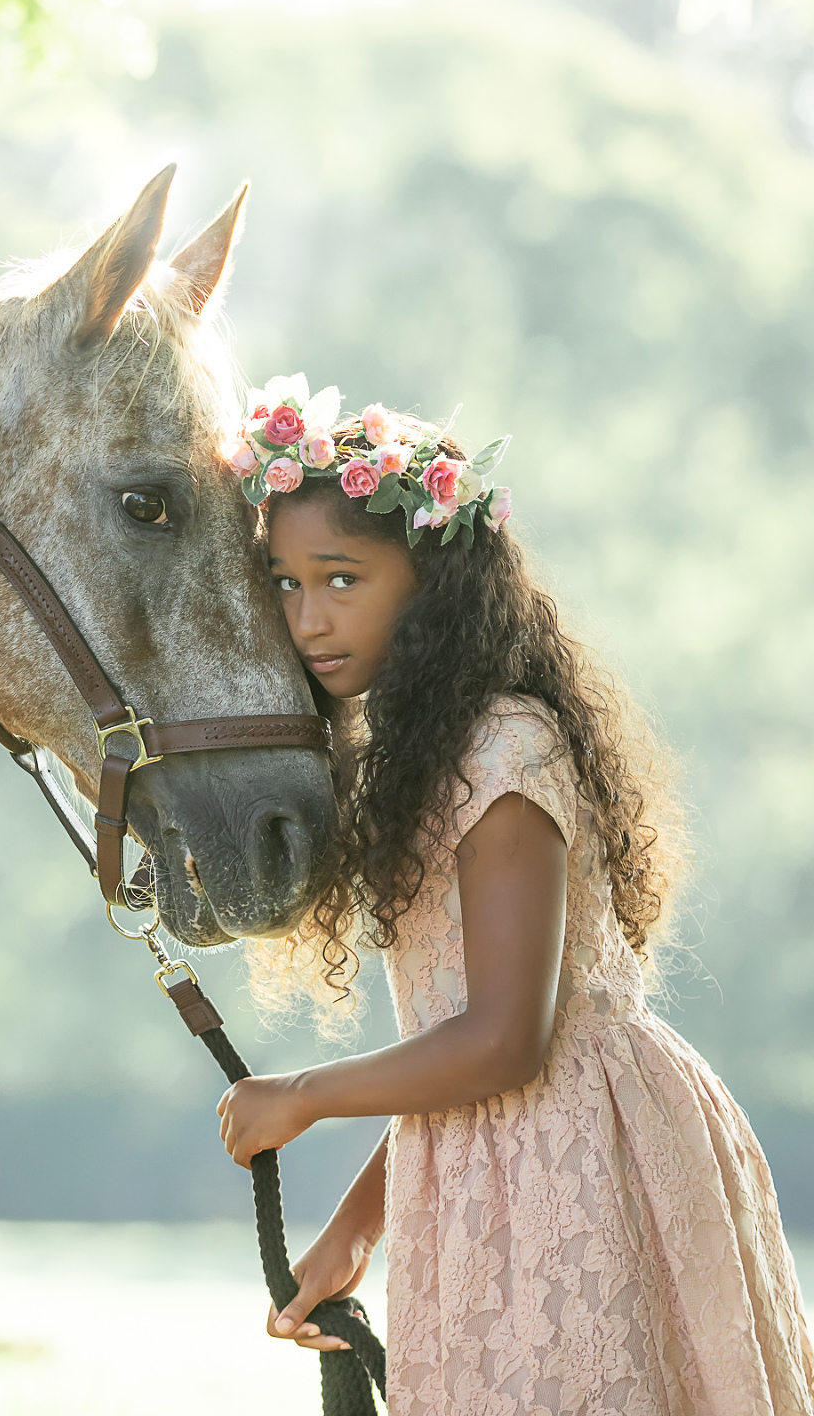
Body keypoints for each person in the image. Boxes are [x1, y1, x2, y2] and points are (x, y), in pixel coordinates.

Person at [214, 377, 814, 1414]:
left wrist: (303, 1094)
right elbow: (458, 1054)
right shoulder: (412, 754)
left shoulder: (503, 747)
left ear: (430, 582)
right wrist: (357, 1225)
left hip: (581, 1158)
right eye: (283, 582)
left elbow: (504, 1043)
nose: (306, 618)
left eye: (341, 577)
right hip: (481, 1164)